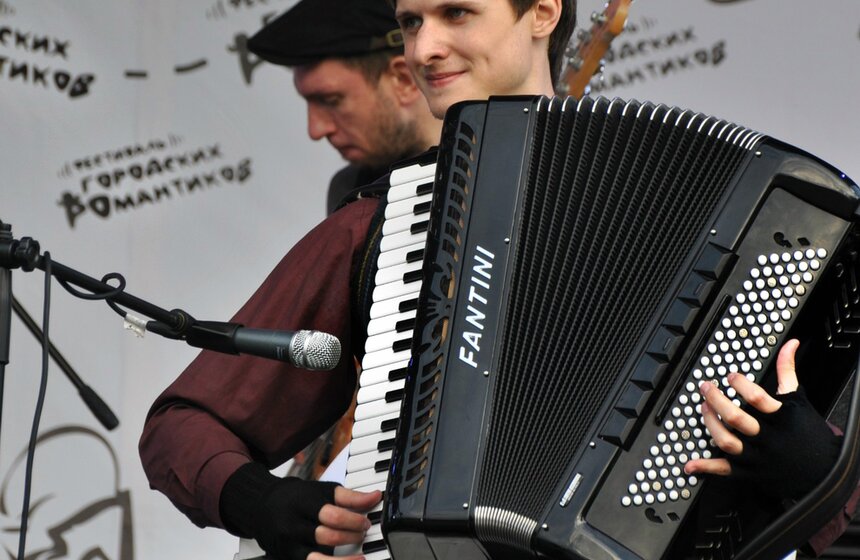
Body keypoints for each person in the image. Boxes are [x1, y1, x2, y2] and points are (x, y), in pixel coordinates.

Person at [140, 1, 855, 559]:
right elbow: (184, 422)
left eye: (456, 13)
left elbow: (830, 495)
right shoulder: (381, 227)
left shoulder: (735, 208)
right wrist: (260, 503)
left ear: (541, 12)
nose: (424, 48)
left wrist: (820, 469)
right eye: (410, 22)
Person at [246, 0, 440, 214]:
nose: (315, 130)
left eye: (331, 100)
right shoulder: (350, 189)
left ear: (402, 80)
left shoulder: (474, 164)